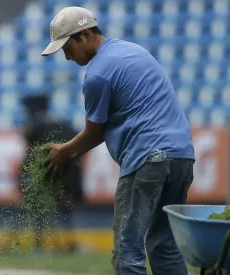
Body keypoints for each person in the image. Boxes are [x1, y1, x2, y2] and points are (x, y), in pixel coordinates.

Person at [41, 6, 195, 275]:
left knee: (128, 251)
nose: (66, 57)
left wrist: (64, 152)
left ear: (85, 35)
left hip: (147, 158)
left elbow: (94, 132)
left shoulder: (98, 74)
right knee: (164, 247)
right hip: (182, 156)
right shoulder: (133, 50)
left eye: (67, 48)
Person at [18, 94, 82, 254]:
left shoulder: (33, 127)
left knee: (39, 212)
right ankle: (67, 245)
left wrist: (22, 179)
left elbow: (30, 155)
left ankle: (39, 245)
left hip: (43, 177)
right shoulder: (62, 125)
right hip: (64, 177)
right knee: (64, 212)